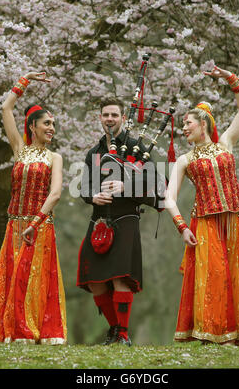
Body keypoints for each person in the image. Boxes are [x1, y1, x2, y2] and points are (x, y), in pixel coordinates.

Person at [165, 65, 239, 344]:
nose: (184, 128)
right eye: (183, 124)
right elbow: (169, 198)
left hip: (236, 218)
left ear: (204, 124)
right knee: (214, 274)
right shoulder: (185, 160)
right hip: (206, 222)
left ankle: (238, 334)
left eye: (188, 123)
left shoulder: (226, 143)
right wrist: (182, 227)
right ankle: (211, 333)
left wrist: (231, 80)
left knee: (238, 272)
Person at [0, 72, 67, 345]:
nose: (52, 128)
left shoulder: (55, 157)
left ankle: (29, 332)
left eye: (54, 124)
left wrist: (35, 222)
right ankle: (11, 332)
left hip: (39, 226)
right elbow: (6, 108)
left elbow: (55, 193)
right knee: (12, 277)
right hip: (14, 225)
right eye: (47, 123)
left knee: (32, 279)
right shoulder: (19, 150)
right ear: (32, 126)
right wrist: (24, 80)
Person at [77, 98, 165, 346]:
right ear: (100, 118)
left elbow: (158, 188)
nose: (109, 119)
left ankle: (124, 335)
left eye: (114, 115)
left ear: (123, 118)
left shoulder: (137, 148)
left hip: (126, 218)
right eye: (105, 115)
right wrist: (93, 195)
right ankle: (115, 329)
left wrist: (127, 186)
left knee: (120, 277)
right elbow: (84, 187)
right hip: (99, 220)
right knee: (94, 280)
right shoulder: (93, 154)